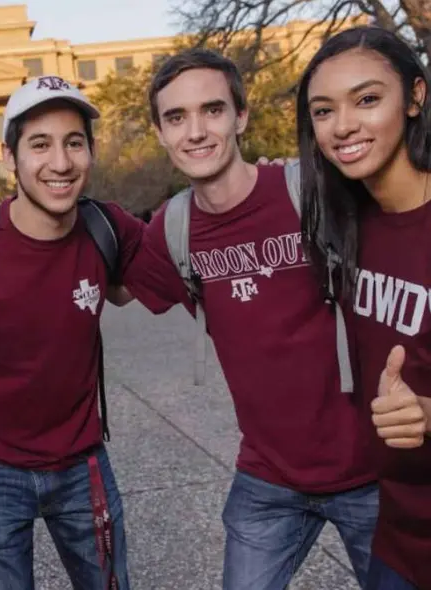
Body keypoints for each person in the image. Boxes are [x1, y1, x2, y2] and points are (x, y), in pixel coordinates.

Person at [118, 49, 380, 589]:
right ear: (161, 133)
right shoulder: (175, 228)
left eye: (212, 110)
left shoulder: (314, 188)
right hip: (269, 480)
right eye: (175, 117)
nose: (195, 132)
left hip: (372, 475)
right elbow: (112, 287)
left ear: (241, 117)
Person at [0, 75, 145, 590]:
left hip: (83, 465)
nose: (60, 163)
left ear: (91, 152)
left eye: (73, 143)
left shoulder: (110, 228)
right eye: (40, 144)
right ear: (9, 156)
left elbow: (189, 261)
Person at [297, 26, 431, 590]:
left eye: (368, 99)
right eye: (323, 110)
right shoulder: (346, 225)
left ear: (416, 97)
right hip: (398, 535)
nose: (343, 125)